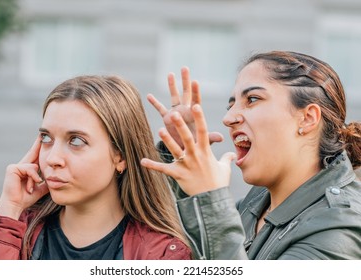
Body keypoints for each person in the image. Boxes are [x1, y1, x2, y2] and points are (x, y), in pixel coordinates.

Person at [141, 51, 361, 259]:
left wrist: (210, 199)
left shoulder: (339, 223)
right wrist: (184, 157)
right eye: (231, 104)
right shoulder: (252, 205)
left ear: (308, 118)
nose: (228, 117)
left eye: (252, 99)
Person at [0, 75, 191, 260]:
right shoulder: (13, 232)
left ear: (121, 156)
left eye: (76, 141)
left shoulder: (160, 256)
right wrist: (8, 210)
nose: (52, 158)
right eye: (47, 138)